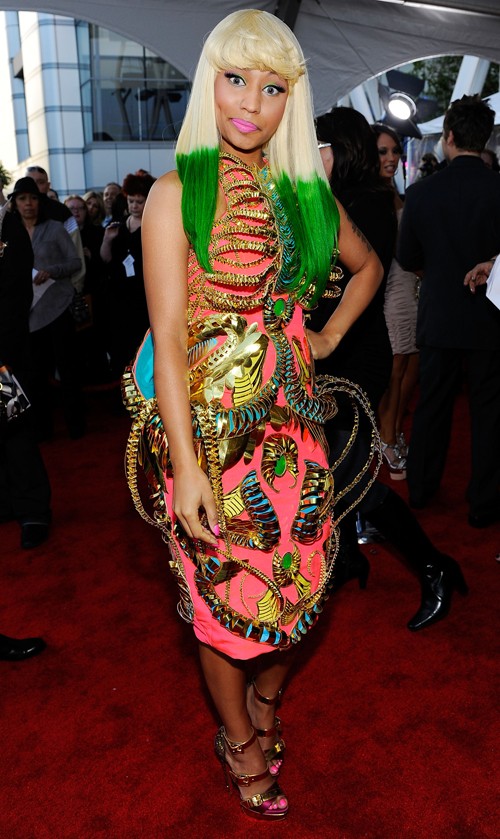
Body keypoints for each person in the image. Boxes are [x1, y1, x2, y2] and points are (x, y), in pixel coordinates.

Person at [122, 9, 383, 820]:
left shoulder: (303, 190)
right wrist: (187, 466)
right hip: (208, 441)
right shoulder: (174, 195)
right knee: (222, 608)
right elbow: (169, 341)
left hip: (296, 437)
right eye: (235, 79)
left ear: (291, 101)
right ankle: (239, 739)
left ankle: (267, 701)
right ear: (210, 82)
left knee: (304, 591)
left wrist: (327, 335)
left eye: (272, 87)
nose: (250, 102)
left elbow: (369, 266)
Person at [311, 107, 467, 632]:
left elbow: (357, 277)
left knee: (351, 478)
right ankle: (347, 559)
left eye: (320, 145)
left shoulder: (368, 203)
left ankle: (435, 568)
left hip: (357, 355)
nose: (310, 154)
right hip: (331, 354)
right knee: (330, 469)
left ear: (341, 148)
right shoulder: (339, 197)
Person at [398, 95, 500, 527]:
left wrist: (437, 273)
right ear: (484, 138)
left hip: (440, 312)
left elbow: (407, 257)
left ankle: (421, 489)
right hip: (491, 316)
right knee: (490, 412)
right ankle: (485, 504)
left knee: (432, 406)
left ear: (450, 136)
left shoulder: (421, 193)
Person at [8, 177, 85, 441]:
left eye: (33, 198)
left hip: (58, 307)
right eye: (22, 199)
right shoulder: (10, 233)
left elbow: (75, 262)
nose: (28, 204)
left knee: (67, 369)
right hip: (28, 315)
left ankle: (76, 426)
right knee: (35, 375)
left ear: (39, 202)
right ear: (15, 203)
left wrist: (51, 270)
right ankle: (43, 429)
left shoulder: (54, 228)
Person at [0, 199, 52, 549]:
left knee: (14, 428)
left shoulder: (10, 230)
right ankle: (6, 501)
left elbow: (15, 298)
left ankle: (34, 511)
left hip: (6, 353)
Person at [372, 122, 420, 476]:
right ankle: (387, 439)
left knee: (409, 368)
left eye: (394, 151)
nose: (391, 158)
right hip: (392, 292)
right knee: (396, 370)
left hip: (411, 289)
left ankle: (393, 432)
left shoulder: (394, 192)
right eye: (382, 152)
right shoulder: (374, 197)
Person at [100, 171, 155, 378]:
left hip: (143, 296)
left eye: (139, 202)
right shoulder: (118, 225)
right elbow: (105, 258)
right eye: (131, 201)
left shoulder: (153, 226)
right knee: (121, 345)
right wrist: (107, 239)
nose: (134, 206)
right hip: (119, 296)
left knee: (141, 344)